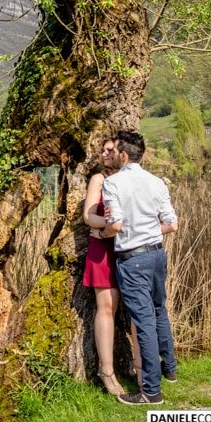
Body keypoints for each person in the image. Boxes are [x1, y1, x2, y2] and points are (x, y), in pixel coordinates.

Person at [101, 130, 179, 405]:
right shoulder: (157, 182)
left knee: (144, 321)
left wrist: (103, 234)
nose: (111, 155)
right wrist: (148, 230)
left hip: (132, 259)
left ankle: (151, 391)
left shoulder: (112, 183)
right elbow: (172, 224)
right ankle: (170, 369)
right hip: (157, 254)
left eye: (114, 151)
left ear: (123, 155)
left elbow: (116, 224)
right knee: (159, 310)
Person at [82, 139, 126, 396]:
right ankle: (106, 371)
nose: (105, 153)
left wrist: (121, 225)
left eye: (110, 149)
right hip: (103, 247)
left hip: (130, 246)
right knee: (107, 307)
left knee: (136, 308)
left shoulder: (130, 178)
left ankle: (143, 368)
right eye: (102, 150)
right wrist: (111, 225)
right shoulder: (99, 179)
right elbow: (88, 216)